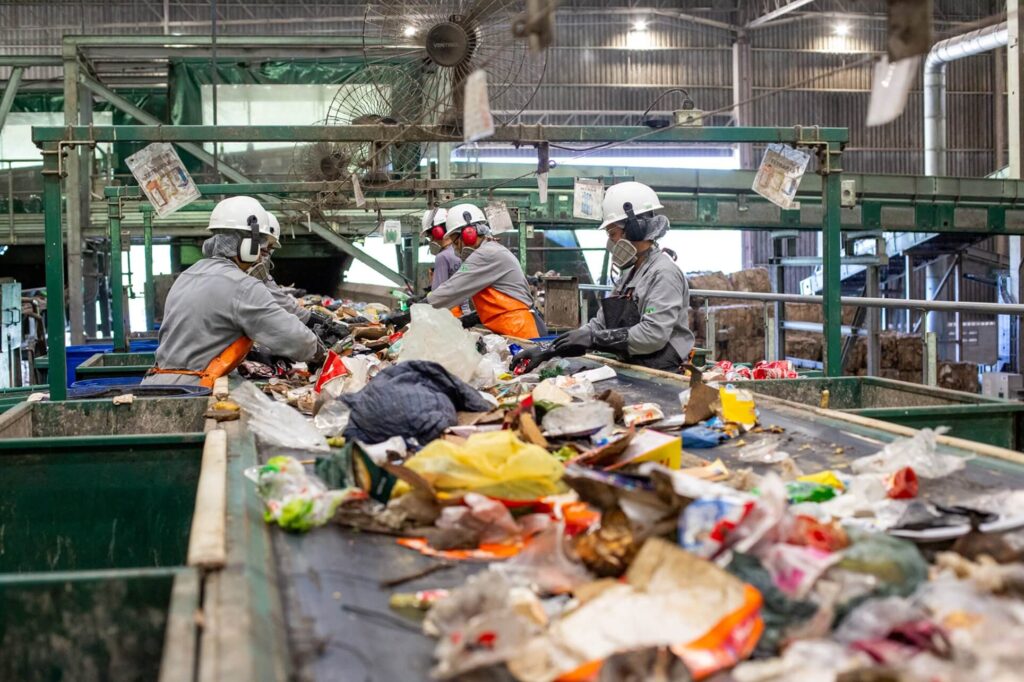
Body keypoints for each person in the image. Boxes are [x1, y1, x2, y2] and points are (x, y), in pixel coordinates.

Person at [513, 181, 694, 373]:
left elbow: (652, 336)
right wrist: (547, 349)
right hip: (635, 367)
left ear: (635, 229)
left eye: (612, 234)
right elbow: (599, 325)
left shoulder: (664, 273)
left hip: (663, 373)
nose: (610, 244)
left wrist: (594, 340)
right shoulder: (627, 275)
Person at [144, 196, 324, 387]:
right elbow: (295, 339)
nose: (261, 258)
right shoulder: (243, 286)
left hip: (156, 384)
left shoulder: (188, 275)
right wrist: (321, 354)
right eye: (262, 249)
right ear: (250, 246)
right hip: (194, 390)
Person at [424, 203, 546, 338]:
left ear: (468, 234)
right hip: (515, 328)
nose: (455, 248)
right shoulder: (490, 250)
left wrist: (417, 309)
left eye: (456, 242)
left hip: (523, 329)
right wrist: (472, 318)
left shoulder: (485, 254)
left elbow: (451, 289)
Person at [421, 207, 469, 317]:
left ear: (437, 232)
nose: (431, 240)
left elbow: (438, 293)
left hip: (448, 312)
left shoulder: (442, 257)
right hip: (463, 311)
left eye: (429, 236)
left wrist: (421, 303)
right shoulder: (462, 252)